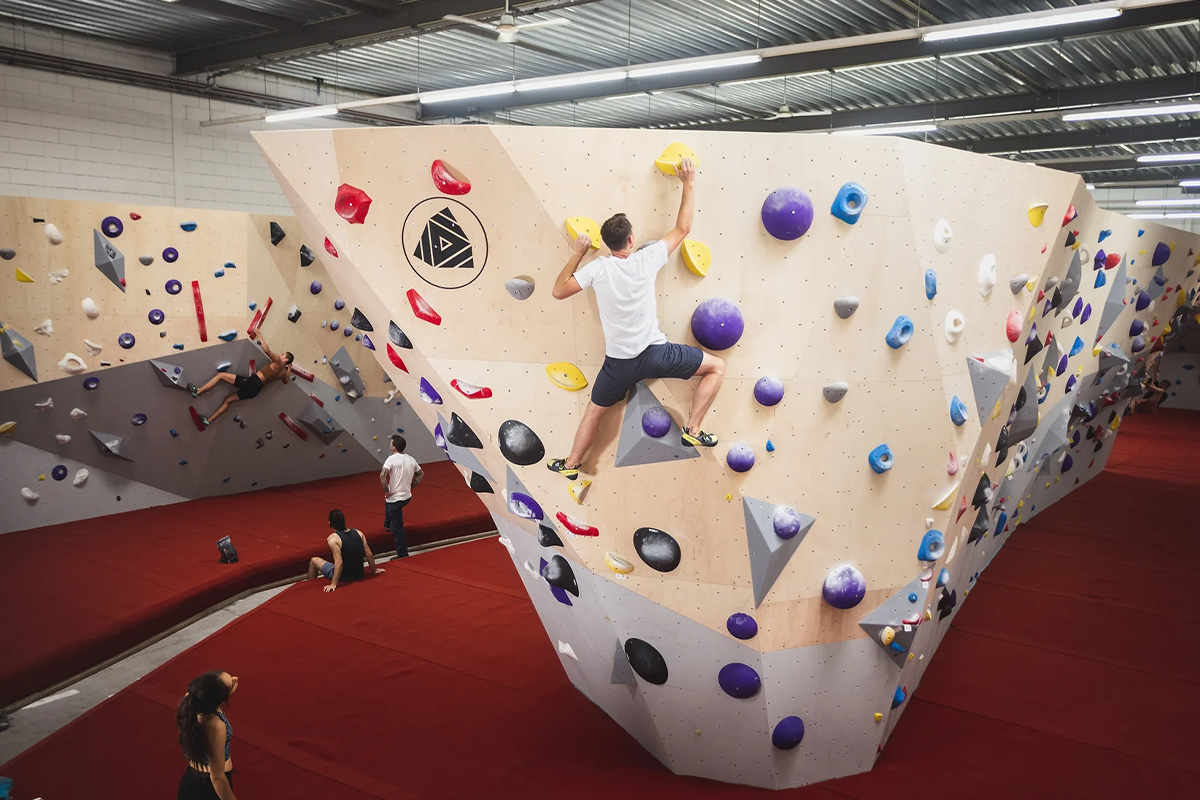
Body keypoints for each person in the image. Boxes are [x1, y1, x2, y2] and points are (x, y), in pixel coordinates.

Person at [546, 157, 724, 480]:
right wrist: (688, 183)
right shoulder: (646, 258)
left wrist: (578, 252)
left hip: (619, 364)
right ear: (630, 240)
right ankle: (693, 428)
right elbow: (684, 228)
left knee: (595, 412)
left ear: (609, 244)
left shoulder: (598, 268)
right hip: (655, 354)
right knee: (717, 367)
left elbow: (558, 291)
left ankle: (571, 465)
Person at [190, 332, 293, 427]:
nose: (280, 355)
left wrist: (259, 335)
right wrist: (289, 368)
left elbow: (267, 350)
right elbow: (286, 381)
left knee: (220, 375)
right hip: (256, 390)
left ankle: (197, 392)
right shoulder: (284, 373)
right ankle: (209, 420)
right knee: (228, 400)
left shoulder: (279, 362)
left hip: (252, 382)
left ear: (286, 359)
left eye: (282, 354)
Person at [175, 670, 239, 800]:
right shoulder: (215, 726)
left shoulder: (192, 700)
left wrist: (225, 693)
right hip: (208, 789)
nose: (235, 679)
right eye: (230, 682)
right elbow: (217, 778)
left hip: (192, 779)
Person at [308, 509, 383, 592]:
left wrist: (333, 584)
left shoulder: (333, 539)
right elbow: (369, 554)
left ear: (329, 523)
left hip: (344, 576)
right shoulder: (359, 533)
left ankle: (309, 587)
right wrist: (374, 570)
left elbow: (339, 562)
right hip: (359, 573)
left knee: (314, 561)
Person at [380, 434, 423, 558]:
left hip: (395, 498)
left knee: (397, 527)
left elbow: (382, 476)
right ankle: (387, 523)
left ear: (394, 447)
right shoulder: (410, 459)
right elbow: (420, 474)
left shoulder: (391, 459)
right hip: (407, 496)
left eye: (391, 443)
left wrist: (387, 490)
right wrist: (410, 486)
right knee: (388, 502)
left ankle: (402, 553)